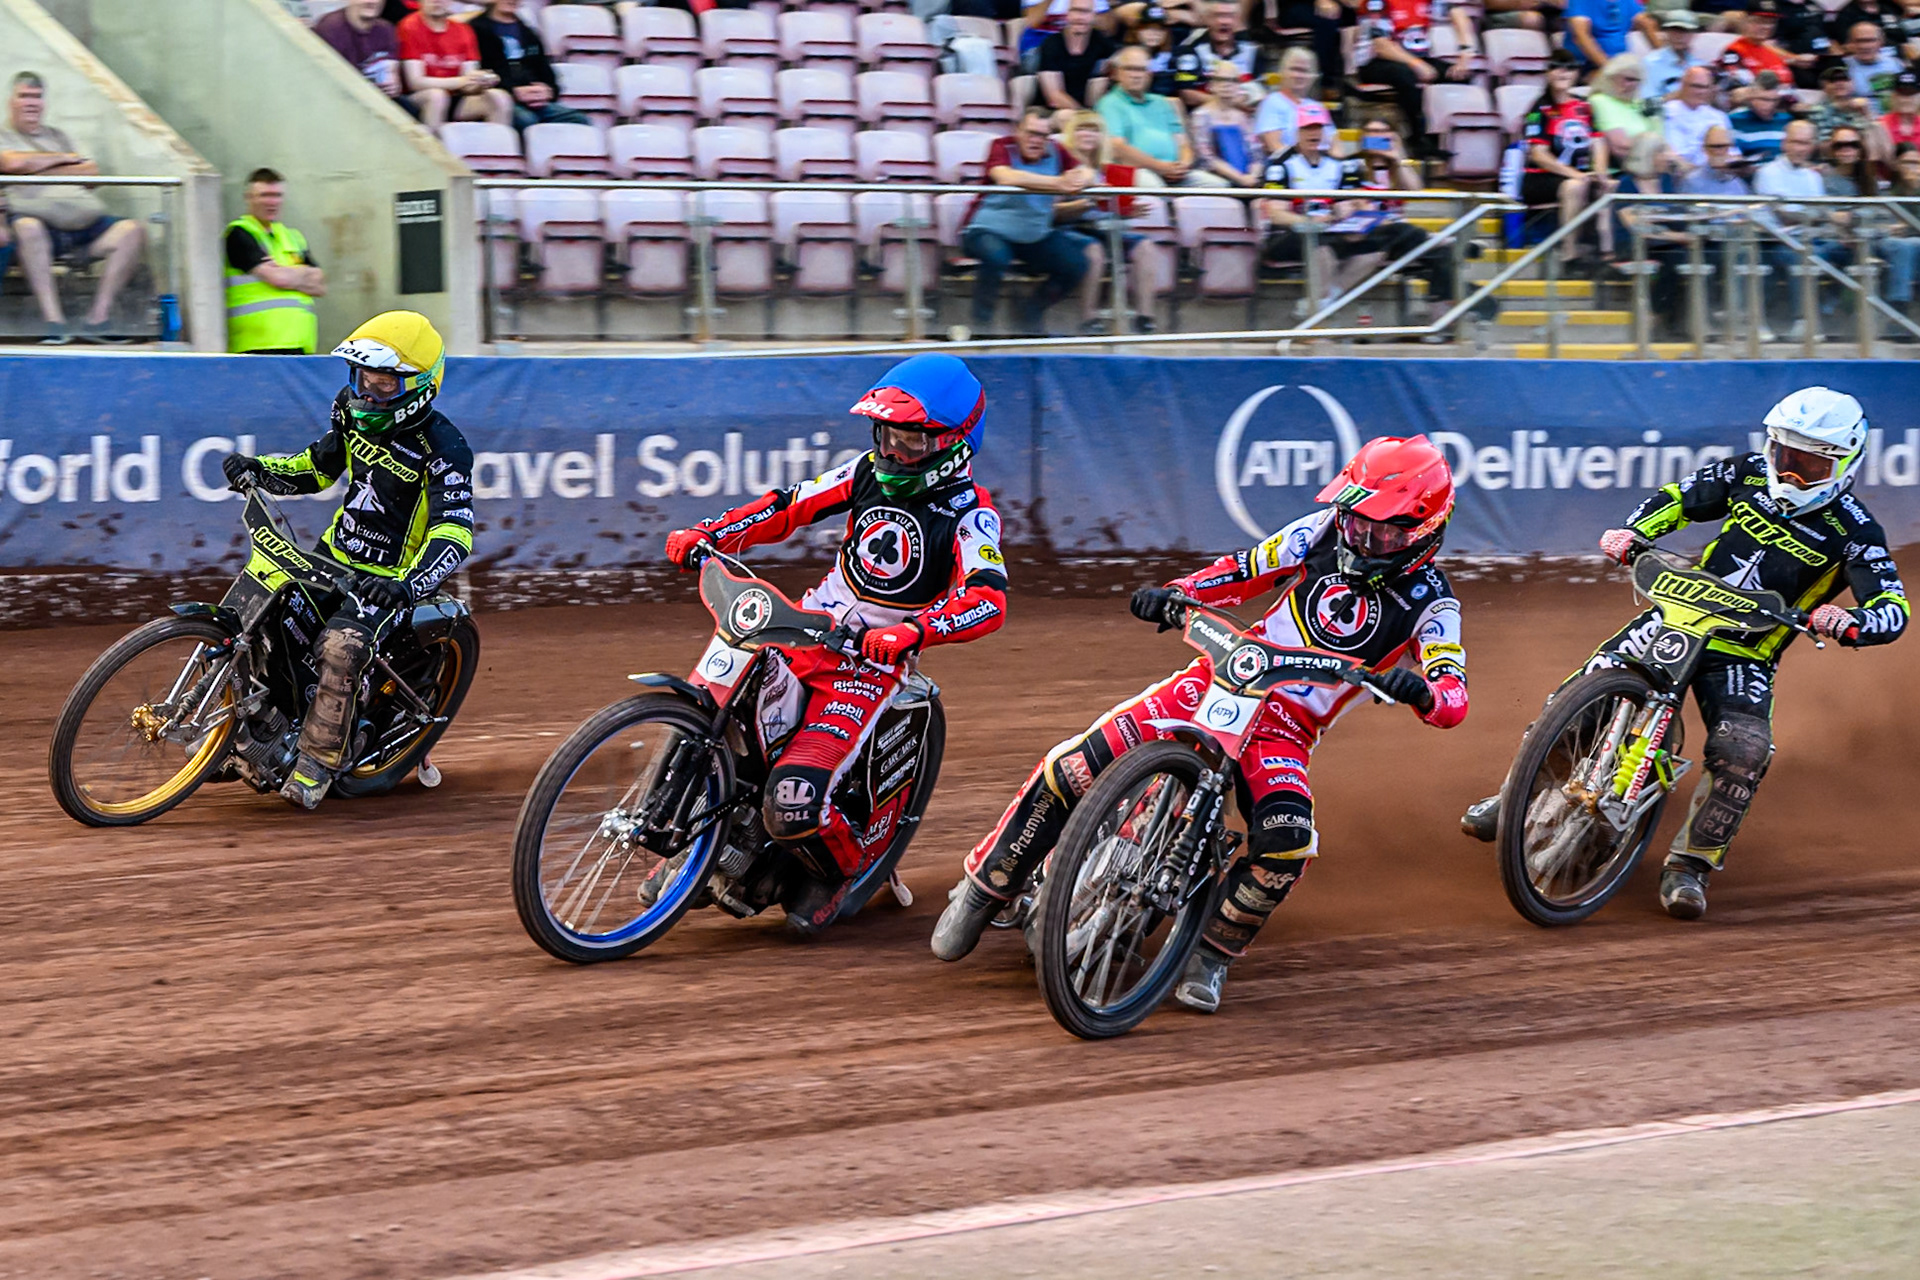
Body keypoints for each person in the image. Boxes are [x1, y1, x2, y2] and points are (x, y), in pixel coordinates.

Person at [931, 435, 1469, 1015]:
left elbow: (1453, 693)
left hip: (1285, 730)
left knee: (1289, 842)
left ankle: (1211, 953)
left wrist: (1423, 691)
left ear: (1423, 531)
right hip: (1221, 677)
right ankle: (986, 887)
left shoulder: (1433, 605)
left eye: (1379, 529)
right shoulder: (1319, 531)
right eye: (1355, 519)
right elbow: (1244, 569)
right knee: (1075, 764)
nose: (1360, 536)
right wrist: (1178, 593)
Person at [1462, 389, 1906, 921]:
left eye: (1810, 464)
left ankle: (1690, 866)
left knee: (1743, 749)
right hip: (1676, 613)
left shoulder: (1856, 531)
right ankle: (1517, 798)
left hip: (1745, 651)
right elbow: (1678, 498)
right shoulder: (1744, 474)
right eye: (1784, 456)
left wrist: (1850, 621)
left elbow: (1891, 607)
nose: (1790, 474)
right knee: (1582, 693)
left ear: (1845, 462)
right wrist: (1635, 531)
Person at [663, 355, 1007, 935]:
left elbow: (989, 600)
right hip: (806, 625)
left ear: (955, 445)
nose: (895, 451)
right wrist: (710, 531)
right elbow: (787, 505)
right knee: (714, 713)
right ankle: (701, 835)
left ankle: (839, 871)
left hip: (870, 663)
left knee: (794, 801)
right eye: (888, 435)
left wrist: (911, 632)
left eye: (913, 441)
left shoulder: (973, 514)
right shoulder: (865, 471)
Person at [219, 311, 474, 810]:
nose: (368, 394)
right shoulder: (349, 409)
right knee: (263, 616)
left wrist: (407, 586)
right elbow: (317, 466)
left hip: (390, 582)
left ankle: (316, 763)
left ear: (419, 386)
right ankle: (241, 726)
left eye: (383, 384)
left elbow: (455, 532)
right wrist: (260, 469)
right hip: (333, 557)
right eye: (362, 379)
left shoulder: (445, 447)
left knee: (340, 646)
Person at [0, 72, 148, 345]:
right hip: (40, 231)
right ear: (11, 101)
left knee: (133, 231)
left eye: (37, 96)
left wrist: (37, 167)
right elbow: (11, 164)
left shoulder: (59, 136)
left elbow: (91, 172)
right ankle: (53, 322)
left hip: (87, 229)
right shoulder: (4, 136)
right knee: (26, 227)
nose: (32, 103)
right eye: (24, 96)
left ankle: (98, 319)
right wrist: (64, 161)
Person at [960, 106, 1095, 335]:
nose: (1036, 140)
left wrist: (1078, 179)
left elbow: (1087, 172)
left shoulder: (1056, 150)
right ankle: (981, 326)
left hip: (1034, 234)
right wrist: (1058, 184)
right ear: (1018, 131)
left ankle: (1030, 312)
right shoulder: (1001, 146)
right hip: (987, 229)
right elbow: (1006, 177)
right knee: (996, 257)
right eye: (1030, 133)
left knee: (1076, 264)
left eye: (1042, 135)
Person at [1056, 109, 1171, 332]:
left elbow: (1108, 207)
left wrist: (1127, 209)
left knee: (1145, 246)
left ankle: (1145, 317)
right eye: (1081, 129)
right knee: (1094, 251)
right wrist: (1089, 201)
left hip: (1101, 226)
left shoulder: (1106, 170)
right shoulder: (1061, 166)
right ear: (1071, 133)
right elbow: (1055, 211)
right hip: (1069, 226)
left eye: (1094, 130)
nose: (1088, 134)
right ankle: (1089, 318)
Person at [1351, 0, 1480, 155]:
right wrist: (1416, 63)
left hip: (1416, 59)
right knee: (1405, 75)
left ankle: (1442, 138)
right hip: (1375, 62)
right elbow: (1380, 45)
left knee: (1458, 75)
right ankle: (1417, 139)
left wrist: (1466, 52)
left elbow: (1458, 13)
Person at [1523, 51, 1614, 261]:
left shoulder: (1585, 107)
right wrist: (1576, 175)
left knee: (1608, 185)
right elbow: (1539, 155)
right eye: (1557, 66)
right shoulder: (1538, 109)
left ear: (1577, 74)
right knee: (1576, 186)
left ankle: (1607, 253)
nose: (1563, 72)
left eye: (1570, 67)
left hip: (1577, 174)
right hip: (1540, 177)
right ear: (1548, 73)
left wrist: (1600, 174)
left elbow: (1598, 143)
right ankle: (1569, 251)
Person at [225, 168, 326, 355]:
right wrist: (300, 273)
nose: (272, 202)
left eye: (277, 195)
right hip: (258, 346)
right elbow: (279, 279)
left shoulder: (292, 236)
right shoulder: (240, 233)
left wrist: (285, 272)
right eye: (264, 195)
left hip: (300, 344)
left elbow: (320, 285)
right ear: (249, 197)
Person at [1098, 44, 1228, 184]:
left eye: (1142, 69)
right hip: (1136, 170)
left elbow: (1183, 143)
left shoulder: (1162, 102)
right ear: (1117, 73)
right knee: (1153, 186)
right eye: (1130, 68)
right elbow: (1118, 148)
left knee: (1218, 185)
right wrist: (1160, 167)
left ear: (1150, 74)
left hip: (1174, 172)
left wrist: (1182, 166)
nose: (1136, 75)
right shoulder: (1109, 103)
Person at [470, 0, 591, 129]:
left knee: (577, 119)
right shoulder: (476, 30)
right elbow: (479, 73)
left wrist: (547, 90)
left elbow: (545, 70)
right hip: (500, 99)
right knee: (526, 120)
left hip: (534, 100)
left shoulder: (528, 32)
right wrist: (513, 91)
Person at [398, 0, 512, 132]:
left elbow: (469, 83)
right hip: (420, 97)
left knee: (499, 98)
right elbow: (415, 82)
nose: (437, 1)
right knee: (437, 96)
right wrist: (462, 81)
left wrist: (482, 80)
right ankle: (434, 150)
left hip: (455, 96)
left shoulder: (463, 30)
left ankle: (496, 151)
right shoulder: (409, 25)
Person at [1170, 0, 1268, 108]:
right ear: (1207, 20)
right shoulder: (1189, 51)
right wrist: (1231, 104)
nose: (1223, 22)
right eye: (1218, 16)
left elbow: (1260, 90)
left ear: (1237, 20)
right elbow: (1186, 94)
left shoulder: (1252, 51)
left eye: (1229, 16)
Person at [314, 0, 407, 107]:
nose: (372, 1)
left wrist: (394, 85)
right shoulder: (331, 28)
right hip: (344, 104)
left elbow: (392, 72)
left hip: (383, 101)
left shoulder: (387, 29)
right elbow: (330, 83)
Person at [1188, 64, 1266, 185]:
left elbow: (1257, 155)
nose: (1226, 84)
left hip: (1249, 181)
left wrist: (1253, 175)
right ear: (1211, 85)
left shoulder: (1244, 117)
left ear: (1239, 86)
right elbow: (1206, 158)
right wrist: (1240, 178)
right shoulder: (1200, 116)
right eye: (1221, 80)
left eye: (1233, 80)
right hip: (1216, 182)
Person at [1037, 0, 1118, 111]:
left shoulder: (1101, 43)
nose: (1080, 17)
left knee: (1101, 79)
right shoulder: (1052, 43)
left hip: (1092, 108)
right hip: (1058, 111)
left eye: (1085, 12)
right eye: (1075, 11)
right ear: (1067, 15)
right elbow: (1054, 95)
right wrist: (1082, 115)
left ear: (1094, 16)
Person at [1254, 46, 1319, 156]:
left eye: (1305, 71)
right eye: (1294, 69)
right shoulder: (1272, 102)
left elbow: (1334, 145)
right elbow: (1275, 147)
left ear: (1313, 76)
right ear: (1282, 71)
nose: (1299, 75)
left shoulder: (1316, 106)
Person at [1590, 54, 1658, 160]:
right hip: (1626, 167)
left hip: (1652, 162)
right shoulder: (1600, 100)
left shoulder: (1638, 102)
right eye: (1626, 78)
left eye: (1634, 80)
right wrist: (1655, 148)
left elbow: (1661, 137)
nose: (1628, 84)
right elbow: (1621, 145)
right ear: (1611, 77)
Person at [1663, 66, 1733, 167]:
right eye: (1695, 86)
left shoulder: (1719, 116)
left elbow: (1733, 153)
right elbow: (1674, 156)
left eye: (1705, 87)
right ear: (1683, 86)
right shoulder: (1667, 112)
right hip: (1683, 173)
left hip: (1719, 172)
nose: (1701, 92)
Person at [1568, 0, 1656, 69]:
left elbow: (1645, 23)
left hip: (1622, 63)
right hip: (1588, 65)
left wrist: (1666, 57)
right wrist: (1609, 69)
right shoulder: (1580, 1)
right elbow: (1580, 36)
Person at [1643, 10, 1706, 102]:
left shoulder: (1700, 65)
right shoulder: (1650, 63)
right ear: (1666, 32)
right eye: (1674, 30)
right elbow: (1645, 105)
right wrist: (1681, 94)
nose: (1679, 36)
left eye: (1684, 31)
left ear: (1693, 34)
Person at [1728, 70, 1790, 162]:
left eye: (1773, 100)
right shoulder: (1734, 120)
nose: (1769, 105)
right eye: (1763, 99)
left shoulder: (1787, 121)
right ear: (1751, 98)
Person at [1842, 20, 1905, 107]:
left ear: (1881, 42)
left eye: (1870, 40)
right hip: (1857, 116)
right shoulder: (1843, 66)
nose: (1864, 46)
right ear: (1850, 43)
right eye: (1859, 41)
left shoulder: (1895, 64)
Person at [1883, 69, 1920, 149]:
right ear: (1893, 96)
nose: (1906, 99)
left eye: (1911, 94)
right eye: (1901, 94)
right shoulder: (1882, 125)